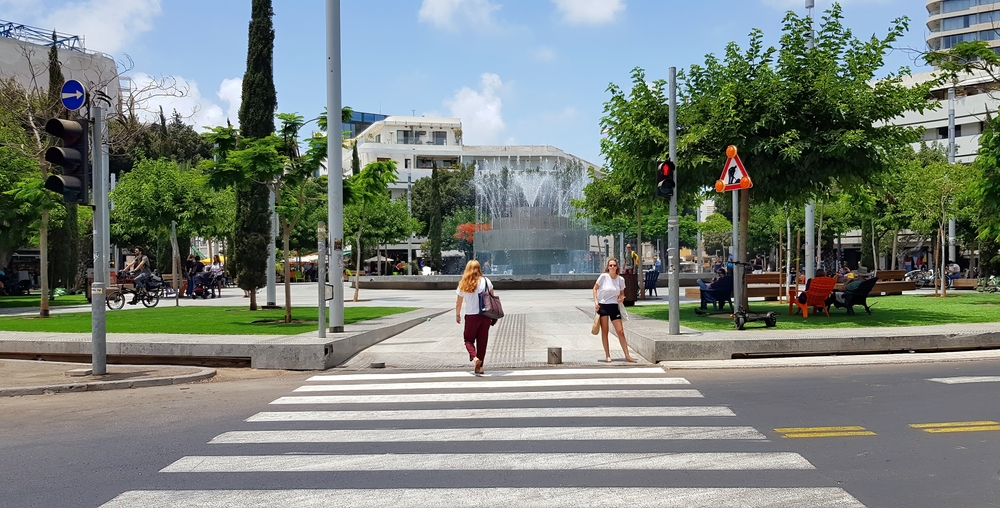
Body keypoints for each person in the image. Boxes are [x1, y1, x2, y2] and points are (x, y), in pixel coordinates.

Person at [593, 258, 638, 364]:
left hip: (614, 306)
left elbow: (622, 293)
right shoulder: (603, 277)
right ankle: (607, 355)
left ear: (617, 267)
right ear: (608, 267)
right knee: (605, 331)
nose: (612, 267)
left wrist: (622, 298)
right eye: (610, 265)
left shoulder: (620, 280)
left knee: (620, 331)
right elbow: (595, 288)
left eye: (614, 265)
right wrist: (596, 302)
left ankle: (627, 355)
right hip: (603, 306)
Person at [455, 260, 495, 375]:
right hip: (485, 316)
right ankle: (480, 367)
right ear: (479, 268)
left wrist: (457, 315)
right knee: (482, 342)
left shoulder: (463, 283)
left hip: (471, 316)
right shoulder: (486, 281)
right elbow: (492, 297)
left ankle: (474, 358)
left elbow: (458, 303)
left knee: (468, 340)